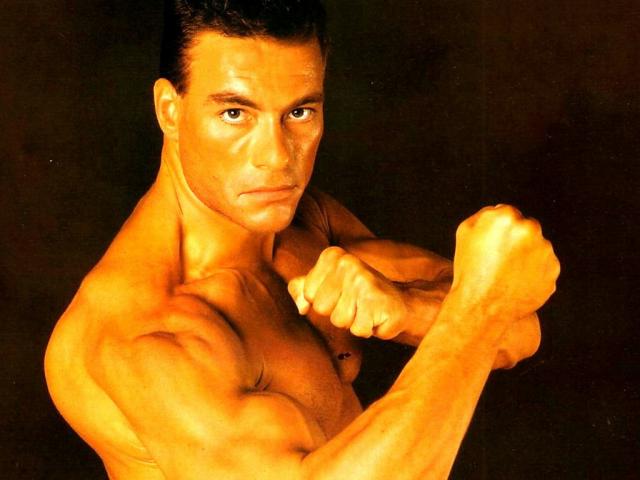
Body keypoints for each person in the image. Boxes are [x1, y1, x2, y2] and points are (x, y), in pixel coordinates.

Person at [44, 1, 559, 479]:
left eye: (299, 113)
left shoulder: (308, 225)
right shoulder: (144, 336)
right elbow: (486, 310)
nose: (276, 157)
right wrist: (474, 310)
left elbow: (517, 325)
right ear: (169, 110)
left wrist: (406, 309)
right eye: (234, 114)